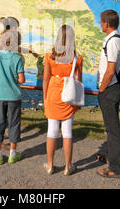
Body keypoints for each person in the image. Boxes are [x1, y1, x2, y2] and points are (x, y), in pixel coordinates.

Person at [42, 25, 83, 176]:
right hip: (69, 96)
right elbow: (79, 81)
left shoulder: (49, 57)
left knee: (51, 130)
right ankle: (68, 166)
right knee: (67, 132)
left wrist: (45, 99)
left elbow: (46, 79)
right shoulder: (77, 58)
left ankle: (50, 165)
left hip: (53, 94)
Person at [0, 29, 25, 165]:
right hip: (14, 96)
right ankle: (12, 155)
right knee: (14, 123)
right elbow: (21, 80)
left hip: (0, 95)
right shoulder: (18, 58)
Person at [96, 9, 120, 179]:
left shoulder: (113, 41)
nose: (100, 24)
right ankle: (112, 158)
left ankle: (115, 169)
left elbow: (110, 70)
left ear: (106, 23)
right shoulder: (113, 40)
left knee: (112, 129)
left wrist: (102, 88)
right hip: (111, 88)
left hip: (110, 89)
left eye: (101, 21)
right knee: (111, 127)